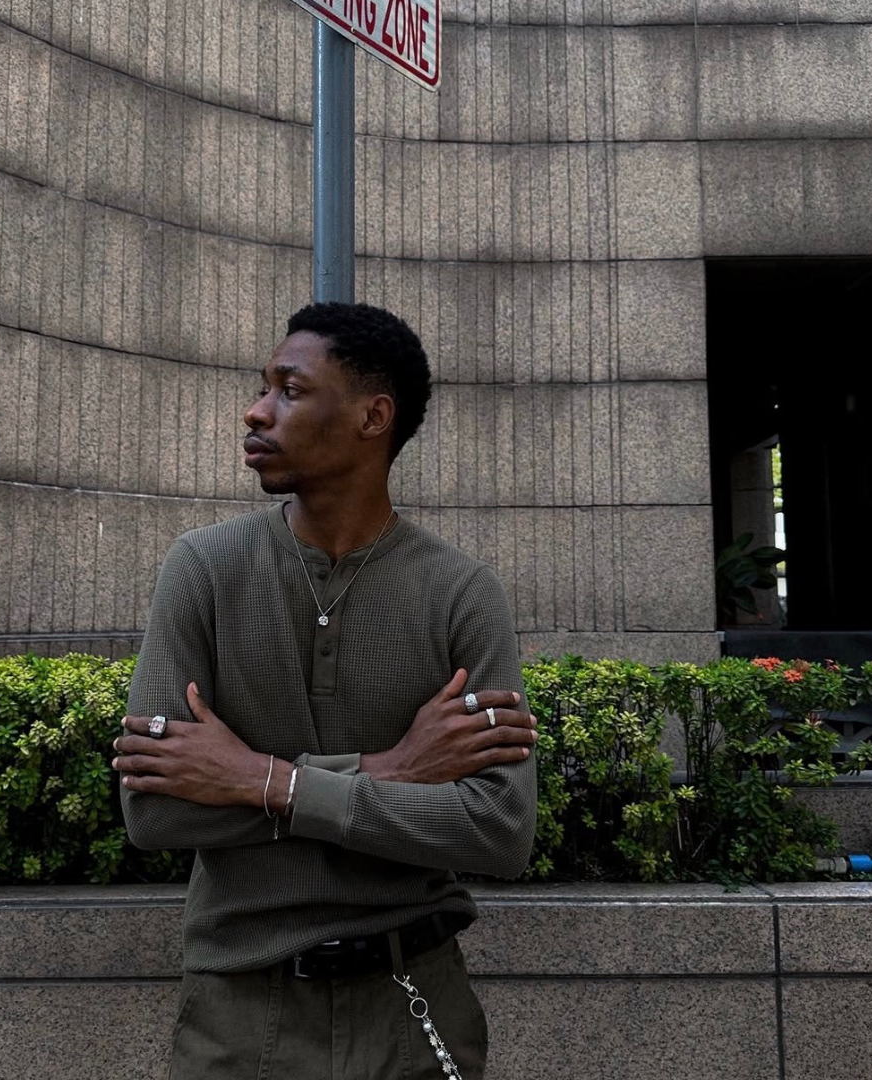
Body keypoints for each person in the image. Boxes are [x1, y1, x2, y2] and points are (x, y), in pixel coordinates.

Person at [112, 302, 538, 1080]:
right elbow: (155, 808)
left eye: (289, 390)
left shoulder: (461, 594)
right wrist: (388, 774)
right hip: (239, 1017)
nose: (256, 409)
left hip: (414, 1006)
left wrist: (256, 781)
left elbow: (498, 831)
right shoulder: (203, 570)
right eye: (261, 388)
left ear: (374, 416)